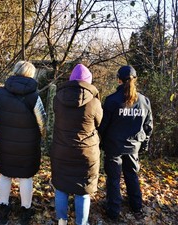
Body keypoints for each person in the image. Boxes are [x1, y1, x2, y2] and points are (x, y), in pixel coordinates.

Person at [0, 60, 46, 225]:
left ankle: (3, 208)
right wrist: (39, 136)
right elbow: (42, 122)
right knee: (26, 176)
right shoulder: (34, 96)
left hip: (4, 141)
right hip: (27, 144)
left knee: (5, 174)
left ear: (15, 71)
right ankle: (25, 210)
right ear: (31, 74)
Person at [98, 65, 153, 221]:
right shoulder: (144, 101)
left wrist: (101, 141)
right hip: (133, 146)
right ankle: (136, 206)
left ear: (119, 79)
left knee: (114, 179)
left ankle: (113, 211)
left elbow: (103, 125)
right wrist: (144, 144)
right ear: (135, 79)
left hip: (114, 146)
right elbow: (149, 126)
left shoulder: (111, 100)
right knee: (131, 175)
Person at [50, 64, 103, 225]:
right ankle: (82, 222)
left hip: (61, 150)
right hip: (86, 153)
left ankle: (62, 221)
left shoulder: (57, 99)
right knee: (83, 190)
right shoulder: (94, 103)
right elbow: (99, 122)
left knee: (61, 186)